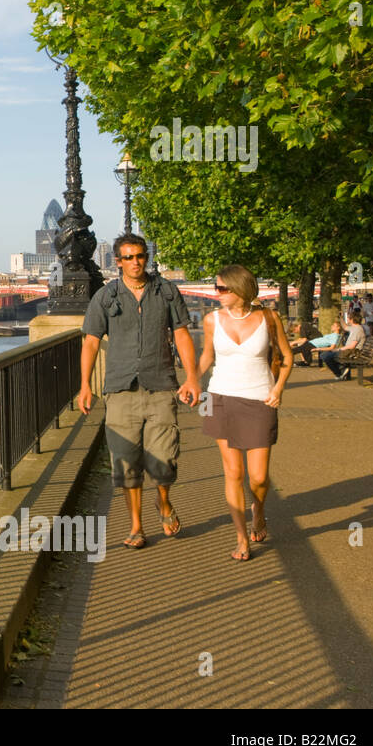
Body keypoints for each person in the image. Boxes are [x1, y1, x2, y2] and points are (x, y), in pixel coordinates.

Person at [78, 233, 200, 550]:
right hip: (120, 389)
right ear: (118, 262)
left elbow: (183, 334)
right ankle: (136, 526)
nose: (136, 262)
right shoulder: (105, 297)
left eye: (140, 256)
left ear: (147, 258)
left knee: (163, 461)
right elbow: (90, 342)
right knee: (125, 462)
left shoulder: (167, 292)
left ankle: (164, 501)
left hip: (160, 385)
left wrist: (193, 378)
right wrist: (85, 387)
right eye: (129, 257)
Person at [198, 266, 293, 561]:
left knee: (259, 477)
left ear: (241, 290)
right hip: (219, 397)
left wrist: (278, 390)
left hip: (259, 399)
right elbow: (206, 357)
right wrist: (190, 381)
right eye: (216, 288)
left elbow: (287, 358)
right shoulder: (211, 320)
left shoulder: (268, 318)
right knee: (233, 472)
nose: (217, 294)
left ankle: (259, 511)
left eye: (222, 289)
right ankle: (241, 538)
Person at [321, 310, 366, 380]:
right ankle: (342, 371)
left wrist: (339, 349)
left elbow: (352, 346)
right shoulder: (354, 328)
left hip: (352, 352)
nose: (347, 319)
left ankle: (339, 373)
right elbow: (345, 327)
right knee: (324, 355)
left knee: (325, 356)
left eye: (348, 318)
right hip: (349, 351)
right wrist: (341, 317)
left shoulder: (357, 330)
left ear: (352, 320)